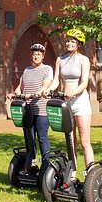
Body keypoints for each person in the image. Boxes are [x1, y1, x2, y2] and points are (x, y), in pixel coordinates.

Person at [48, 28, 95, 171]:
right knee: (70, 142)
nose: (69, 43)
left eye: (72, 41)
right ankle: (72, 173)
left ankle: (91, 172)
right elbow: (56, 80)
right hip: (66, 103)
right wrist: (48, 90)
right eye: (68, 41)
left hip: (80, 102)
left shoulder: (83, 60)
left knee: (84, 141)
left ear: (78, 44)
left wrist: (73, 92)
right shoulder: (60, 59)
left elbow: (84, 83)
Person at [10, 43, 53, 173]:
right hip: (27, 110)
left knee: (42, 137)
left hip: (41, 110)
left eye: (39, 54)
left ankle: (46, 166)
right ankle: (29, 166)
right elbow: (20, 87)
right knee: (29, 138)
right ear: (32, 55)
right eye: (34, 54)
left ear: (43, 56)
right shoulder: (27, 70)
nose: (36, 56)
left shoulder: (47, 69)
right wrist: (14, 94)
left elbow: (46, 85)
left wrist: (37, 93)